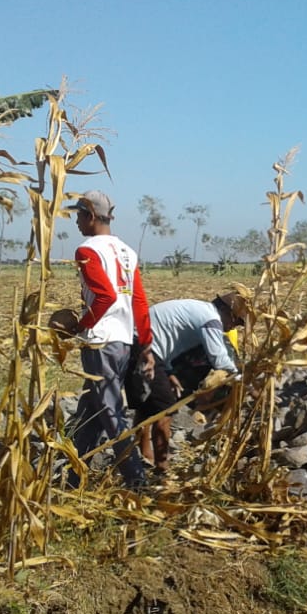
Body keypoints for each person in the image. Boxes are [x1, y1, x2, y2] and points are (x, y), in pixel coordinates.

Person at [64, 190, 152, 486]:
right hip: (123, 342)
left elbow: (105, 296)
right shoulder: (127, 251)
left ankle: (136, 480)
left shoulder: (86, 251)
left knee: (113, 415)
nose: (76, 221)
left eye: (78, 215)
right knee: (89, 413)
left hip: (100, 342)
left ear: (90, 216)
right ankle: (76, 478)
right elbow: (138, 300)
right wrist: (146, 343)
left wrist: (79, 326)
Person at [127, 293, 245, 473]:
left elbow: (164, 337)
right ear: (226, 312)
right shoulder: (211, 320)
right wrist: (242, 380)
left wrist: (168, 372)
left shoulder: (200, 309)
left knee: (149, 402)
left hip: (140, 342)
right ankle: (162, 469)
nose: (233, 327)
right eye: (236, 321)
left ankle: (144, 455)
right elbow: (219, 359)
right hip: (144, 347)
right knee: (165, 408)